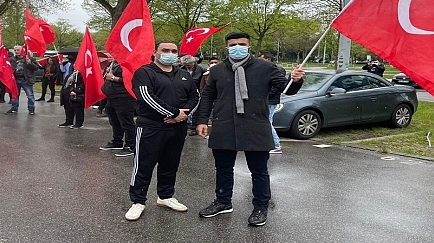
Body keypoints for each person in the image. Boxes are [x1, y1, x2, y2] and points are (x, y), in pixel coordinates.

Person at [195, 31, 305, 227]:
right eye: (233, 44)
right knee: (223, 169)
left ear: (249, 46)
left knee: (259, 171)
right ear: (227, 47)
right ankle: (222, 201)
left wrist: (295, 80)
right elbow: (207, 96)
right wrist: (202, 120)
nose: (237, 47)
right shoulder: (217, 71)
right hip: (224, 125)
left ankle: (261, 206)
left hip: (255, 125)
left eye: (242, 44)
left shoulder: (267, 68)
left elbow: (286, 89)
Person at [124, 41, 200, 221]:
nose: (170, 53)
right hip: (151, 127)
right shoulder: (145, 72)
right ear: (155, 52)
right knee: (143, 164)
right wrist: (173, 113)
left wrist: (182, 116)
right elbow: (146, 96)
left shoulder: (183, 74)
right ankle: (138, 201)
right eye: (165, 50)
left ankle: (165, 196)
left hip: (177, 127)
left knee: (170, 164)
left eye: (174, 51)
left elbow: (195, 96)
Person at [99, 60, 137, 157]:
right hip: (112, 97)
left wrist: (113, 78)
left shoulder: (128, 63)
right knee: (114, 121)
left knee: (126, 122)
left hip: (124, 97)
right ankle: (117, 141)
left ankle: (131, 145)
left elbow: (131, 80)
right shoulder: (114, 63)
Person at [258, 53, 287, 154]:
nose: (259, 60)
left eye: (261, 59)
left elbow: (275, 88)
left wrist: (263, 95)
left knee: (268, 122)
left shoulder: (276, 70)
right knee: (265, 122)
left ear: (268, 59)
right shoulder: (266, 69)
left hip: (271, 101)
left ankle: (276, 145)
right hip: (267, 100)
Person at [6, 46, 40, 115]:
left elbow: (36, 68)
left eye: (18, 50)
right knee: (15, 95)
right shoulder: (12, 59)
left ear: (22, 50)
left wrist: (30, 63)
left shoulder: (30, 58)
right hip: (15, 80)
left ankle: (31, 109)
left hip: (26, 79)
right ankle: (14, 108)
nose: (16, 51)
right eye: (15, 50)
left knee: (30, 95)